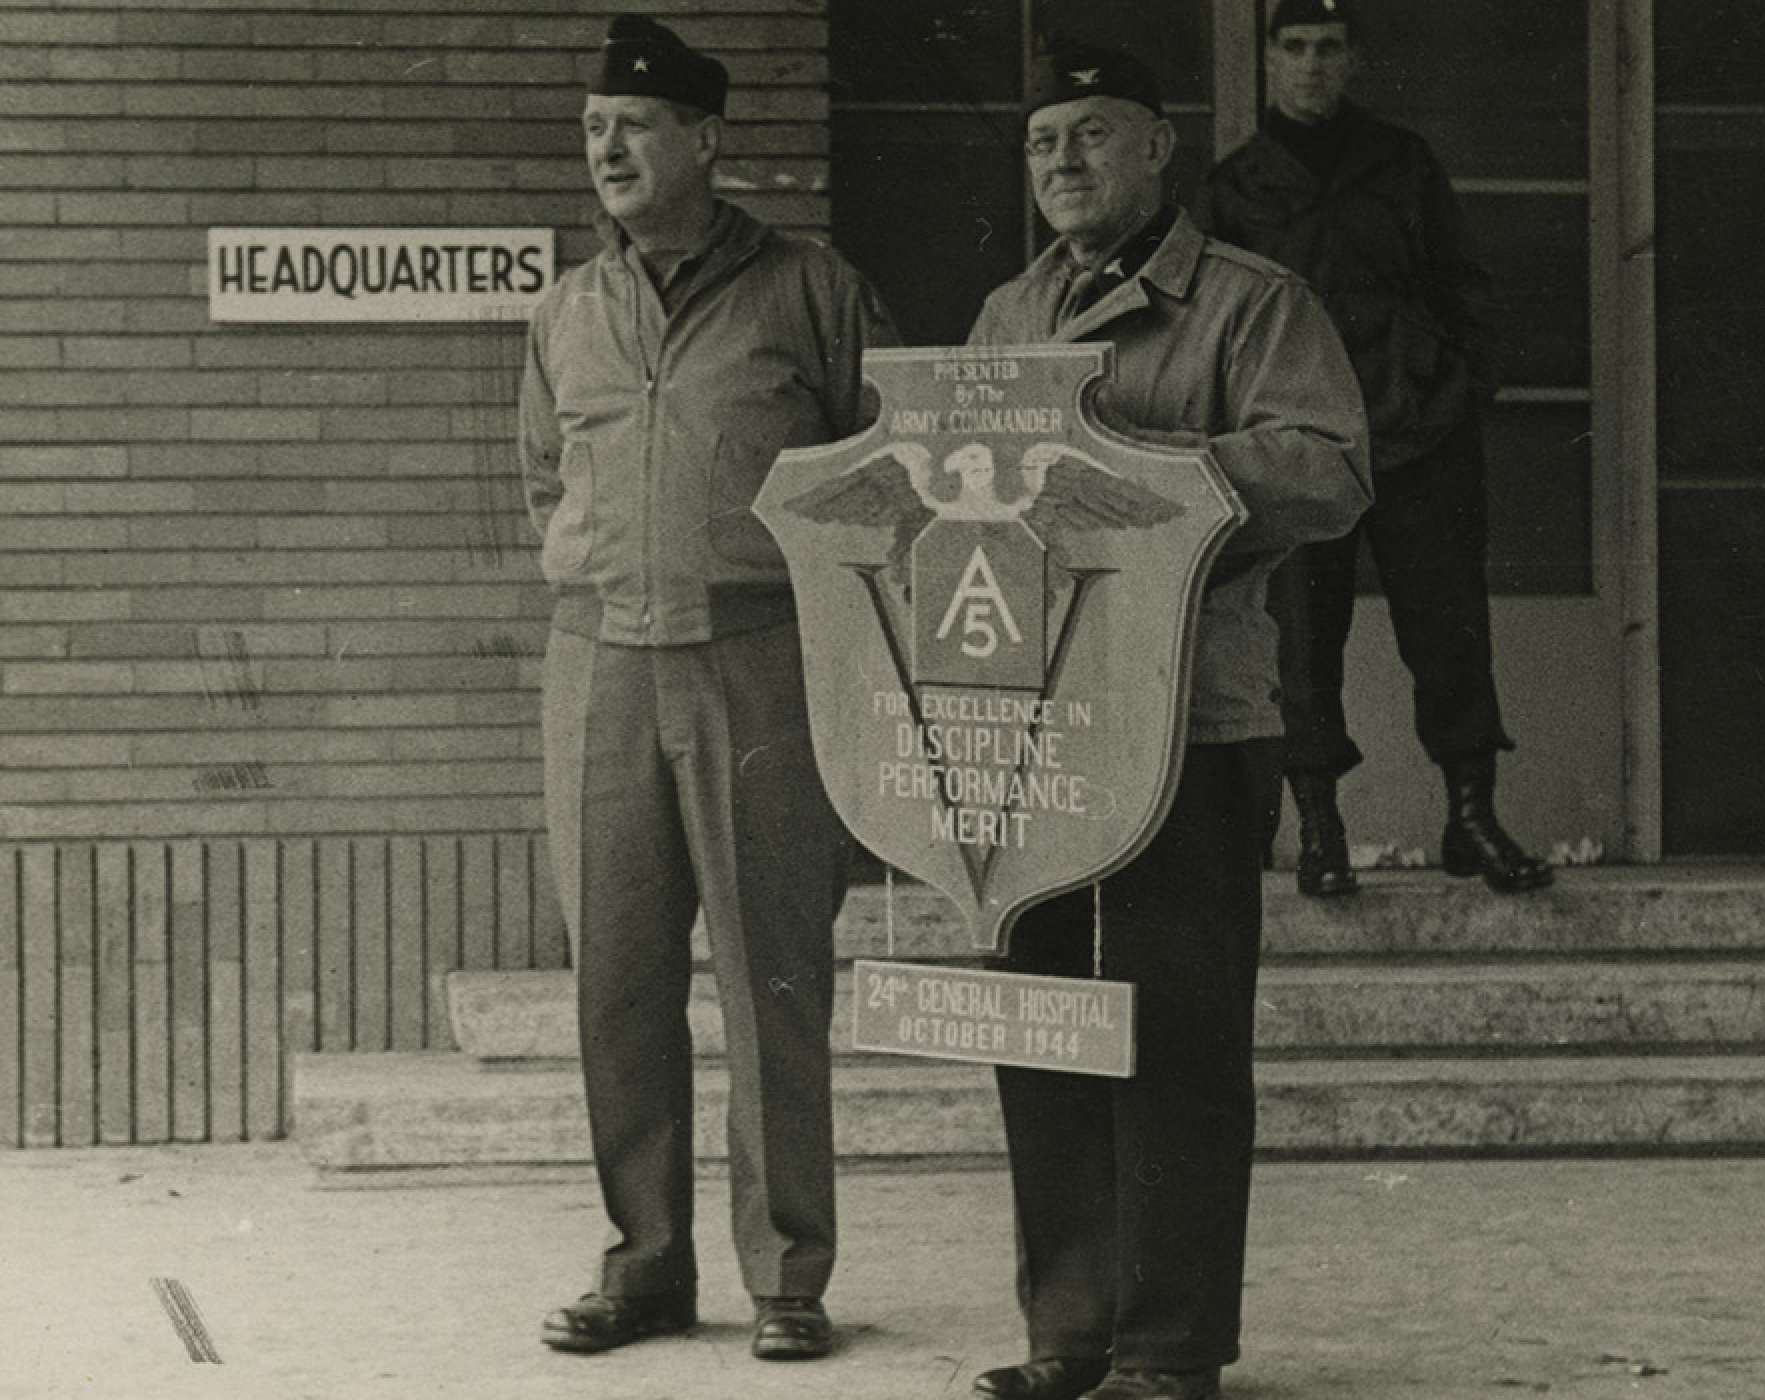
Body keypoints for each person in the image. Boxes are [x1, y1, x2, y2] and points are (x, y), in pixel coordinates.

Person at [965, 35, 1372, 1400]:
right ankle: (1067, 1335)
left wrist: (1134, 474)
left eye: (1091, 135)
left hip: (1191, 726)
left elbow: (1327, 473)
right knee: (1043, 1037)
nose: (1063, 163)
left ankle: (1168, 1349)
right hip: (1029, 736)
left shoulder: (1251, 306)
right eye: (1041, 144)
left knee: (1176, 1042)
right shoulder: (1007, 315)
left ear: (1158, 150)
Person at [516, 13, 895, 1363]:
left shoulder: (810, 290)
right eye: (592, 131)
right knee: (615, 979)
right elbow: (545, 484)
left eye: (631, 126)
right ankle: (648, 1264)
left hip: (762, 657)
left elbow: (884, 480)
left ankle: (789, 1276)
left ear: (705, 139)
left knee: (773, 977)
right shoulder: (566, 309)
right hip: (602, 661)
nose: (605, 147)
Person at [1195, 0, 1553, 897]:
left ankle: (1472, 817)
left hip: (1418, 426)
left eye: (1329, 49)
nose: (1313, 65)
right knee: (1302, 637)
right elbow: (1208, 324)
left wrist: (1465, 385)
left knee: (1449, 625)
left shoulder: (1402, 164)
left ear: (1354, 60)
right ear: (1270, 62)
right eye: (1296, 48)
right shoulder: (1234, 188)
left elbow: (1465, 284)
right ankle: (1320, 828)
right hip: (1302, 443)